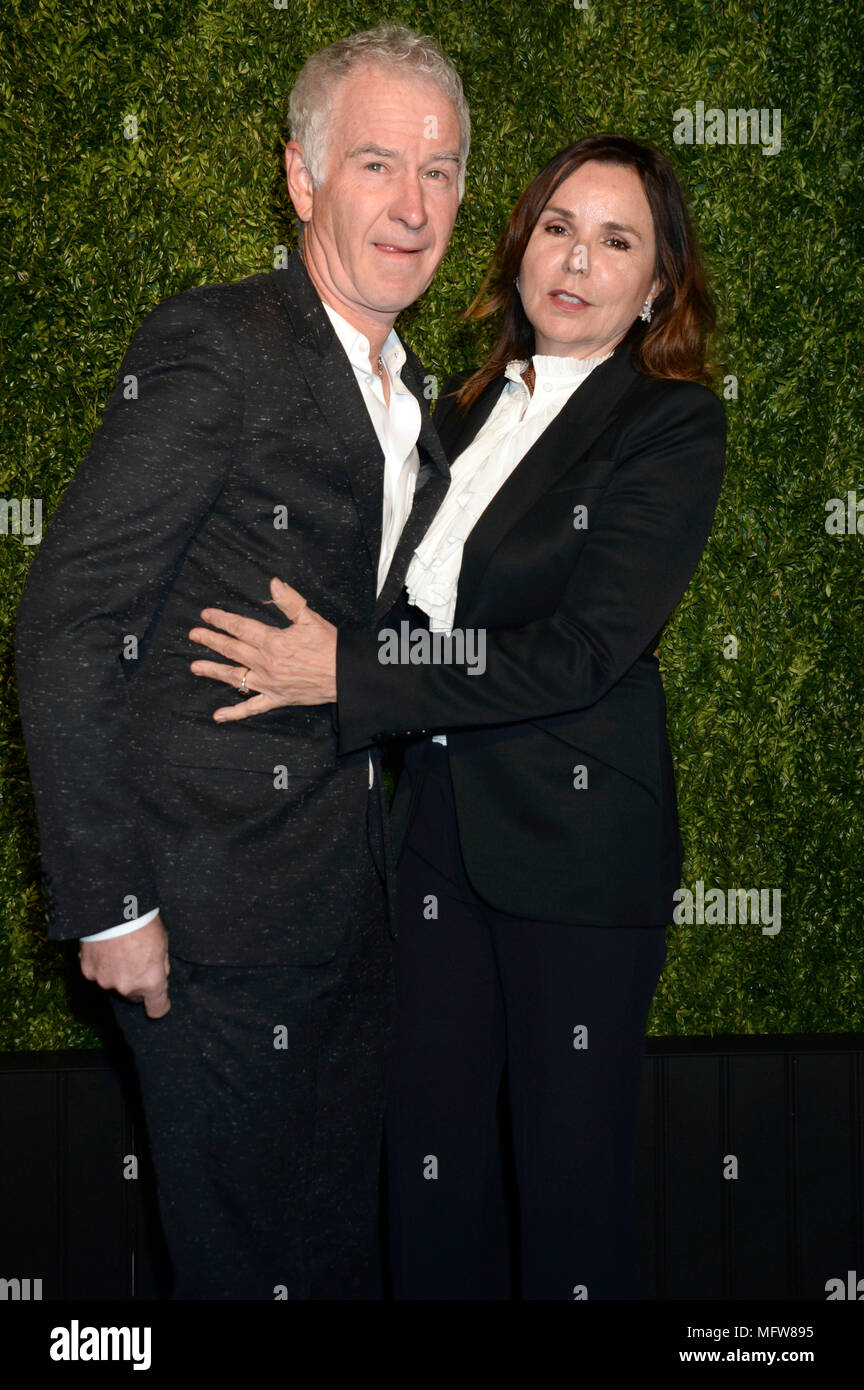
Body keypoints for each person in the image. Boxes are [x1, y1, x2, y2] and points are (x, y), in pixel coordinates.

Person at [186, 133, 726, 1300]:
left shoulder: (668, 426)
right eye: (558, 227)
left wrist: (352, 675)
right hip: (429, 839)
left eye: (617, 241)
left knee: (567, 1193)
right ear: (523, 244)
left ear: (654, 291)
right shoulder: (463, 404)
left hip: (578, 861)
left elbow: (579, 652)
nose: (578, 259)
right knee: (428, 1180)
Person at [14, 24, 469, 1299]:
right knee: (243, 1262)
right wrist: (110, 902)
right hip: (201, 922)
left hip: (342, 913)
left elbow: (377, 637)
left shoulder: (410, 390)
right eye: (378, 163)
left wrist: (362, 667)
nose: (412, 203)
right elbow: (66, 618)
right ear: (302, 176)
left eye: (439, 172)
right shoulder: (219, 344)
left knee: (324, 1257)